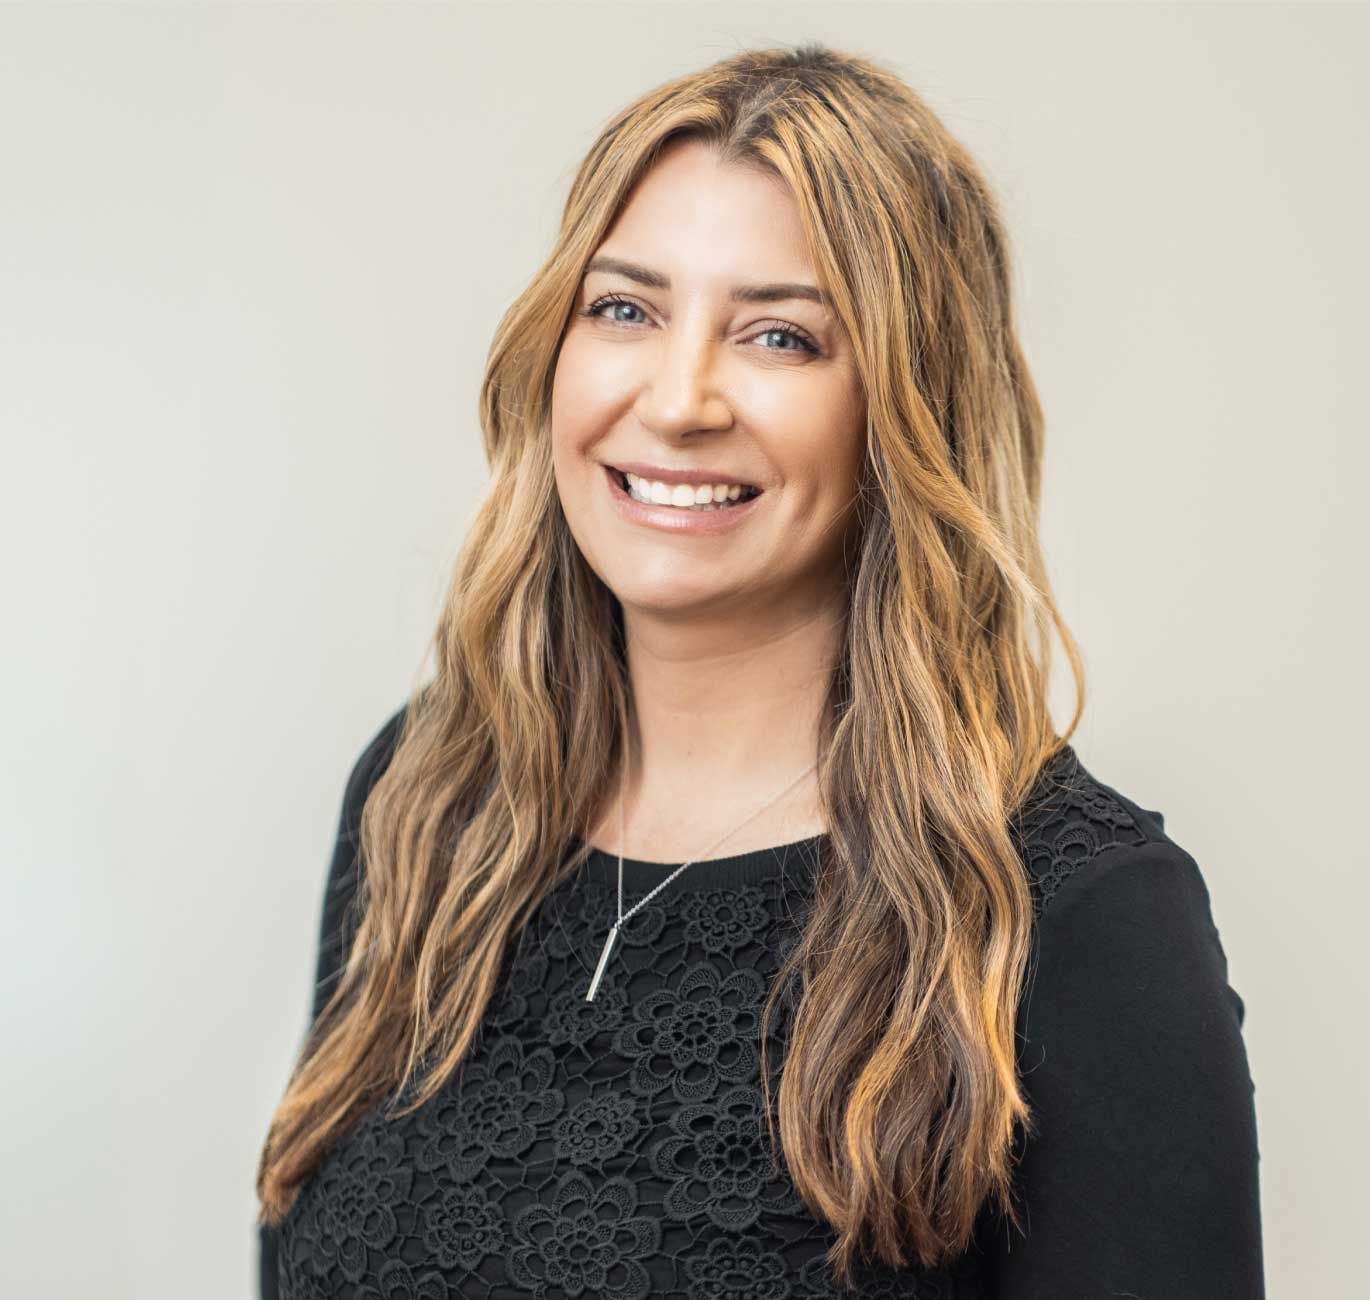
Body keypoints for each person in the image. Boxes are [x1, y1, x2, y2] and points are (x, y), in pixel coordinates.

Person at [255, 42, 1263, 1299]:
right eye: (624, 308)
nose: (678, 400)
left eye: (780, 336)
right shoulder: (433, 799)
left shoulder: (1076, 919)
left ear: (907, 406)